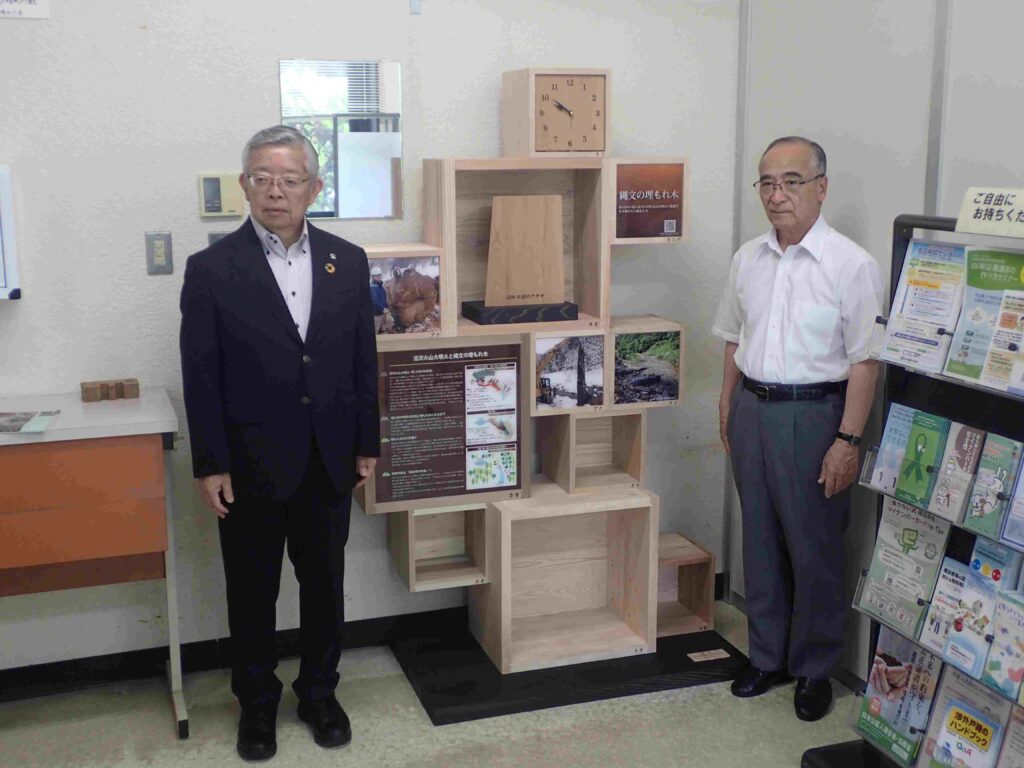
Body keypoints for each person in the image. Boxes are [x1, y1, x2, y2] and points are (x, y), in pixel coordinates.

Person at [179, 125, 380, 760]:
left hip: (328, 455)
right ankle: (257, 703)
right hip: (249, 462)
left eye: (290, 180)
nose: (276, 191)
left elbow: (362, 359)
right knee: (251, 591)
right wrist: (209, 462)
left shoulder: (348, 260)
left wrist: (367, 442)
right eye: (263, 179)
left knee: (325, 586)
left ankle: (319, 693)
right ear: (244, 185)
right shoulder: (211, 270)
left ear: (313, 189)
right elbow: (200, 374)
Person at [712, 136, 883, 722]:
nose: (777, 194)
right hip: (752, 408)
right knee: (759, 538)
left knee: (815, 545)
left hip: (815, 415)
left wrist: (848, 440)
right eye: (767, 183)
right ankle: (767, 656)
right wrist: (726, 405)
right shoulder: (748, 258)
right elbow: (733, 337)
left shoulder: (851, 265)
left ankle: (814, 669)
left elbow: (865, 361)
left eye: (791, 181)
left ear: (821, 188)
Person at [369, 265, 388, 332]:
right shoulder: (372, 287)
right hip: (376, 314)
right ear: (373, 277)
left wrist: (386, 306)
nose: (379, 277)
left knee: (382, 329)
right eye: (377, 276)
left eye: (380, 275)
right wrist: (383, 308)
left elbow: (383, 298)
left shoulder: (380, 286)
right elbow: (375, 301)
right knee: (376, 330)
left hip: (382, 312)